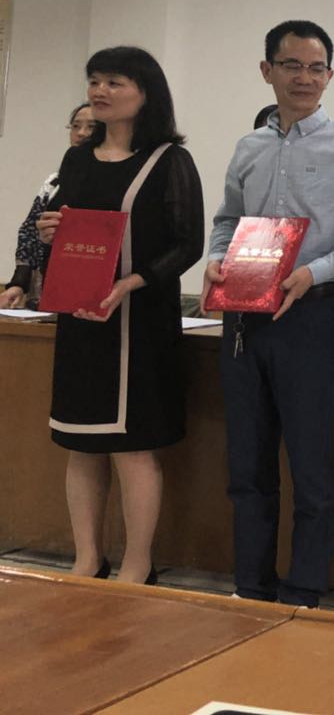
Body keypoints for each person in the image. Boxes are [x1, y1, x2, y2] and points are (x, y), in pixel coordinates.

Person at [206, 20, 334, 607]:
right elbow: (226, 222)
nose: (304, 78)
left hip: (310, 316)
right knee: (247, 467)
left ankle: (303, 592)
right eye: (291, 65)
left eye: (316, 68)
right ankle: (251, 587)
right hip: (244, 318)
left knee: (311, 470)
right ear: (267, 71)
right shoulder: (249, 147)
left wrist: (315, 270)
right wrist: (214, 260)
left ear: (329, 76)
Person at [36, 49, 204, 585]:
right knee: (81, 441)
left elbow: (188, 244)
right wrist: (49, 232)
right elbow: (68, 230)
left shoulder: (170, 160)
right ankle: (87, 558)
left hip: (140, 320)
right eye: (94, 81)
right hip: (82, 315)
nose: (100, 90)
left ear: (145, 91)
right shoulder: (77, 159)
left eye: (114, 81)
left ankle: (137, 563)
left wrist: (132, 282)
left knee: (132, 446)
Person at [2, 102, 96, 309]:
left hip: (93, 289)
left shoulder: (116, 182)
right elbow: (30, 232)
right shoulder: (54, 182)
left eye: (92, 127)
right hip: (47, 289)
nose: (81, 133)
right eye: (75, 126)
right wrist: (19, 283)